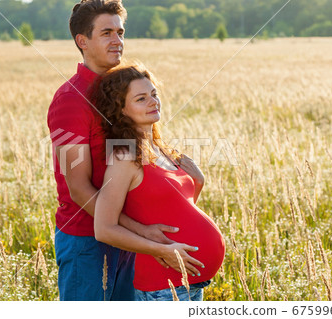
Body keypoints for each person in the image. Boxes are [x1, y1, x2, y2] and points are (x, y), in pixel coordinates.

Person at [47, 0, 199, 301]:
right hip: (87, 241)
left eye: (120, 32)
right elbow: (79, 189)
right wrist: (140, 232)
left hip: (130, 239)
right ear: (83, 41)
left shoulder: (125, 89)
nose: (118, 41)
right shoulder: (70, 101)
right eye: (106, 33)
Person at [91, 65, 226, 301]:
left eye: (154, 94)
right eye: (141, 99)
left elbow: (172, 211)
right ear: (121, 109)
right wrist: (162, 250)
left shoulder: (161, 149)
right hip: (162, 284)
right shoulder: (125, 157)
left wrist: (199, 181)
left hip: (191, 282)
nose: (153, 102)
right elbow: (104, 229)